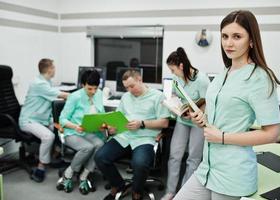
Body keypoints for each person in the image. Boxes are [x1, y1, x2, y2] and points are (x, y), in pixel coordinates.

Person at [174, 10, 280, 200]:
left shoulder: (260, 78)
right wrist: (203, 118)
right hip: (207, 168)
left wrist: (222, 137)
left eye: (237, 36)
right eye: (225, 36)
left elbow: (272, 133)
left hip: (232, 174)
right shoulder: (224, 73)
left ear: (251, 40)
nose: (228, 43)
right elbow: (222, 115)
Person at [94, 69, 170, 200]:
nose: (129, 90)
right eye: (126, 87)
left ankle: (137, 190)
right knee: (100, 157)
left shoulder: (158, 96)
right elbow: (118, 118)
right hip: (124, 136)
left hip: (144, 138)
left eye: (132, 86)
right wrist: (113, 128)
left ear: (140, 79)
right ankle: (118, 185)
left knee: (139, 163)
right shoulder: (126, 97)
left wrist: (141, 123)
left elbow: (164, 123)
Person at [161, 47, 209, 200]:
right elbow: (175, 95)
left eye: (173, 70)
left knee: (193, 159)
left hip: (197, 123)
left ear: (181, 66)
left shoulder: (202, 80)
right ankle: (170, 191)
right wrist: (173, 105)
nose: (172, 73)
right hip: (182, 120)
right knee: (174, 156)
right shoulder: (176, 79)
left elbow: (207, 102)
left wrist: (195, 113)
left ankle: (184, 194)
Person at [56, 70, 106, 195]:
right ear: (83, 85)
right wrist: (75, 126)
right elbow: (62, 119)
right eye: (90, 89)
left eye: (95, 88)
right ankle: (68, 174)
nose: (93, 92)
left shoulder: (99, 94)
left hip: (89, 131)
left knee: (100, 144)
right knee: (87, 147)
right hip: (72, 131)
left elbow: (101, 114)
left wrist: (103, 125)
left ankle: (84, 176)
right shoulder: (75, 96)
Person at [19, 58, 69, 182]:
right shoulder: (39, 84)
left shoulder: (46, 81)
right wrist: (80, 95)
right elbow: (60, 95)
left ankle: (54, 155)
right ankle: (40, 168)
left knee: (60, 126)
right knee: (48, 137)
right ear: (50, 69)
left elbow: (55, 94)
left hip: (40, 119)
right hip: (29, 120)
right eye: (54, 67)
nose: (55, 69)